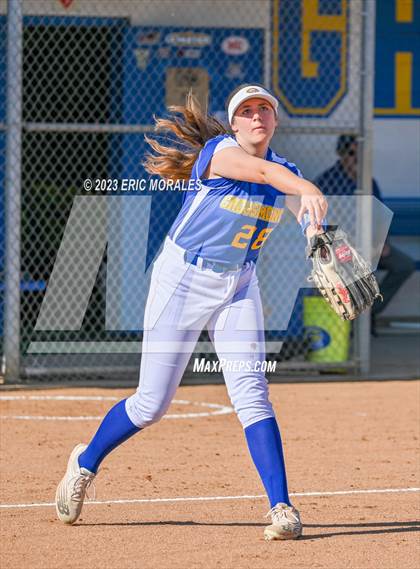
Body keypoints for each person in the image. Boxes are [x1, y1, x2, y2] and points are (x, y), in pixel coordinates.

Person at [55, 84, 328, 541]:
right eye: (246, 110)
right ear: (233, 123)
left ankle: (281, 507)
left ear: (275, 120)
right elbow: (265, 174)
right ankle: (84, 463)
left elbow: (297, 202)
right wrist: (307, 187)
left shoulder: (287, 172)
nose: (256, 116)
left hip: (238, 285)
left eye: (264, 109)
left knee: (252, 392)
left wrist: (314, 228)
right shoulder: (220, 153)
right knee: (151, 404)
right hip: (182, 280)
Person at [314, 135, 415, 330]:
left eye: (360, 153)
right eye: (352, 153)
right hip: (341, 246)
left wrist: (381, 242)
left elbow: (380, 216)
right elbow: (324, 224)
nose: (357, 158)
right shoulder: (328, 181)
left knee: (404, 265)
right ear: (342, 154)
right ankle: (356, 319)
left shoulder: (368, 182)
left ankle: (367, 313)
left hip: (370, 243)